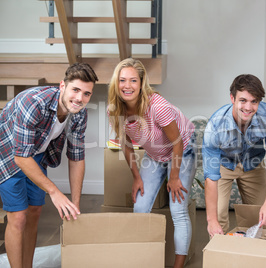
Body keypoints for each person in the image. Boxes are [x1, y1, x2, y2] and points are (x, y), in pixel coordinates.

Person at [0, 62, 98, 267]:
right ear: (62, 86)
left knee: (35, 212)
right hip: (8, 153)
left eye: (86, 93)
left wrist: (76, 205)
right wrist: (55, 192)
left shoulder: (79, 112)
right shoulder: (33, 103)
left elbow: (76, 157)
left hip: (34, 153)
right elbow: (20, 157)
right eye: (75, 90)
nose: (80, 98)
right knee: (18, 217)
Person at [107, 58, 196, 268]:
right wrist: (137, 178)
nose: (127, 86)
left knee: (178, 209)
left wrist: (173, 177)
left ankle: (178, 265)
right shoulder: (116, 109)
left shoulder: (157, 106)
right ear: (116, 83)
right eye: (122, 80)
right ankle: (144, 259)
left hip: (181, 149)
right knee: (140, 207)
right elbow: (127, 145)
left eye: (133, 80)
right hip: (155, 155)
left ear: (141, 83)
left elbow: (177, 143)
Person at [202, 74, 266, 237]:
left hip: (253, 165)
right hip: (224, 164)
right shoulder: (215, 125)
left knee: (261, 218)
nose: (248, 107)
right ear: (232, 98)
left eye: (254, 101)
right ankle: (220, 258)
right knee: (217, 217)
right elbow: (211, 176)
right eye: (243, 100)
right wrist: (211, 221)